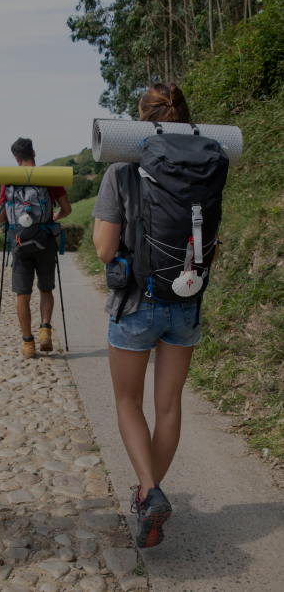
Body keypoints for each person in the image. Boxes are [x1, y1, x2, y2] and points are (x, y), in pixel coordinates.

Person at [92, 83, 219, 549]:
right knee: (168, 405)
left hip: (135, 305)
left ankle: (149, 490)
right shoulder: (206, 166)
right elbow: (211, 244)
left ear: (140, 119)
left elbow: (104, 249)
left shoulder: (122, 169)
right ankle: (150, 494)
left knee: (128, 402)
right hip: (187, 301)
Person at [0, 137, 71, 357]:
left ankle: (28, 344)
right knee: (45, 289)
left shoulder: (8, 181)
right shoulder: (50, 178)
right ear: (34, 153)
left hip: (19, 244)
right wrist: (55, 216)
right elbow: (67, 209)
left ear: (16, 158)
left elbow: (0, 218)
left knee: (23, 295)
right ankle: (45, 331)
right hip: (45, 241)